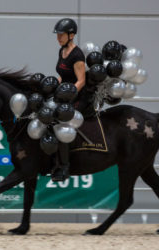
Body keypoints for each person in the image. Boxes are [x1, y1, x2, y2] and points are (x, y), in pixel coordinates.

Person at [51, 18, 93, 182]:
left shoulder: (77, 55)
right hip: (64, 93)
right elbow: (62, 75)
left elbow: (81, 80)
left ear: (72, 35)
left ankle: (65, 166)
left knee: (62, 122)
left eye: (61, 35)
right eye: (58, 35)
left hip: (78, 96)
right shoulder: (61, 51)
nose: (58, 38)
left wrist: (69, 94)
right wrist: (54, 87)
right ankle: (53, 160)